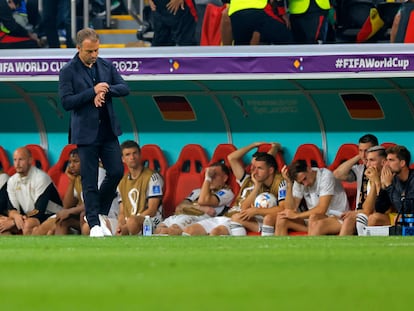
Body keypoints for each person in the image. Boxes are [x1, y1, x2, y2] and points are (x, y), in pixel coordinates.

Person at [59, 27, 130, 237]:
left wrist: (104, 89)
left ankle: (98, 211)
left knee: (116, 171)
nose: (94, 55)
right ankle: (94, 225)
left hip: (108, 130)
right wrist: (92, 92)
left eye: (97, 50)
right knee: (89, 180)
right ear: (78, 48)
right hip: (85, 134)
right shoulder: (68, 71)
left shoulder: (106, 66)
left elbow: (125, 88)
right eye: (90, 51)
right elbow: (66, 102)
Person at [183, 142, 283, 236]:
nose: (253, 169)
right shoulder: (246, 179)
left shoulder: (265, 184)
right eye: (252, 166)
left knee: (216, 232)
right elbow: (231, 158)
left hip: (241, 219)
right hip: (226, 216)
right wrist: (254, 144)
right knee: (189, 231)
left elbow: (267, 162)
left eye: (257, 167)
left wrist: (274, 147)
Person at [155, 161, 234, 235]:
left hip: (199, 219)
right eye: (210, 175)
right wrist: (201, 208)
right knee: (158, 230)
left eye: (214, 175)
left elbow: (203, 200)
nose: (211, 178)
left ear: (224, 178)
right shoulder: (197, 191)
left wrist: (208, 178)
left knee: (171, 230)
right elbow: (180, 206)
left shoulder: (226, 193)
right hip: (179, 215)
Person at [275, 159, 349, 236]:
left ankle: (308, 246)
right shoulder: (300, 180)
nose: (305, 184)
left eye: (305, 179)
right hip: (313, 220)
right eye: (301, 183)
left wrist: (297, 215)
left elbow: (321, 209)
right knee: (281, 219)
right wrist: (289, 184)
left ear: (309, 169)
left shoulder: (326, 176)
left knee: (314, 218)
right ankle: (281, 248)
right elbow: (290, 209)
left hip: (338, 218)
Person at [0, 147, 62, 235]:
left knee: (28, 224)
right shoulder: (12, 181)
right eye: (15, 160)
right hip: (28, 216)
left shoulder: (41, 178)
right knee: (2, 223)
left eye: (21, 159)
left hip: (51, 215)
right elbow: (12, 209)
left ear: (30, 160)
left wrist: (14, 222)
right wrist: (16, 216)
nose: (17, 164)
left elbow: (38, 211)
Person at [333, 134, 379, 235]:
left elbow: (370, 209)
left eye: (366, 150)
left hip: (372, 214)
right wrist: (359, 156)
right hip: (357, 213)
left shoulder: (382, 170)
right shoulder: (360, 169)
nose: (363, 154)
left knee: (349, 219)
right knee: (317, 222)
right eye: (360, 150)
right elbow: (337, 174)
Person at [116, 140, 164, 236]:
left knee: (131, 223)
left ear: (140, 155)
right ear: (123, 159)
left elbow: (152, 210)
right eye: (128, 155)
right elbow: (121, 212)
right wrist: (120, 225)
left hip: (151, 220)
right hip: (129, 220)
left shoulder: (152, 177)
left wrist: (129, 223)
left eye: (135, 153)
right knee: (91, 226)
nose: (132, 157)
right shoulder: (122, 182)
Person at [354, 146, 392, 235]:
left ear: (383, 162)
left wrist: (377, 182)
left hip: (395, 217)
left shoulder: (391, 178)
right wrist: (374, 183)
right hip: (377, 216)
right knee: (356, 218)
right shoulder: (372, 179)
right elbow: (367, 210)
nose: (367, 165)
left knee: (373, 218)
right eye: (367, 161)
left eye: (372, 160)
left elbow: (385, 210)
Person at [227, 0, 292, 45]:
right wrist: (282, 12)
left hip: (236, 12)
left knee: (241, 48)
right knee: (287, 39)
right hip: (257, 9)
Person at [381, 145, 414, 226]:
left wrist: (389, 186)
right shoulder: (393, 179)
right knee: (374, 217)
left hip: (410, 219)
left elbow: (407, 210)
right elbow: (380, 209)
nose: (387, 164)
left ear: (402, 163)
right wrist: (383, 187)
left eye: (391, 160)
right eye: (387, 160)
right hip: (404, 219)